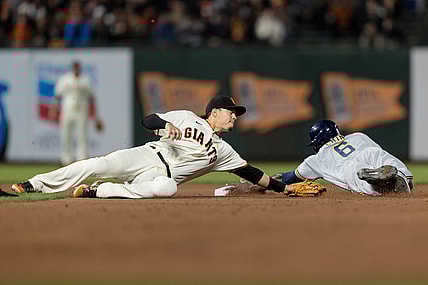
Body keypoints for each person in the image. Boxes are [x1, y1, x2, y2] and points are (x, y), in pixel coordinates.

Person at [11, 96, 288, 198]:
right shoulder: (186, 117)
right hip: (146, 155)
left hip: (158, 177)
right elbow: (148, 120)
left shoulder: (224, 152)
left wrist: (283, 188)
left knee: (168, 189)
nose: (234, 116)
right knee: (96, 164)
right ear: (214, 112)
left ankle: (100, 191)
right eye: (231, 111)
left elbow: (251, 173)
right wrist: (164, 125)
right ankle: (33, 184)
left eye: (236, 113)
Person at [220, 120, 413, 196]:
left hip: (350, 168)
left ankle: (377, 182)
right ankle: (401, 178)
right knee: (384, 160)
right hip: (371, 154)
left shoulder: (316, 160)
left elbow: (286, 179)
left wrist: (256, 185)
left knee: (359, 179)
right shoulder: (358, 136)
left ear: (318, 141)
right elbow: (375, 151)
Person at [49, 60, 104, 165]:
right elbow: (57, 96)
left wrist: (96, 116)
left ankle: (82, 160)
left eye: (77, 67)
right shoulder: (64, 79)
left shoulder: (85, 80)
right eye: (74, 67)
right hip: (67, 110)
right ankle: (66, 159)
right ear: (72, 68)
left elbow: (92, 99)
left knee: (82, 136)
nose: (76, 69)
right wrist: (53, 110)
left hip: (82, 111)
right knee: (65, 135)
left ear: (80, 68)